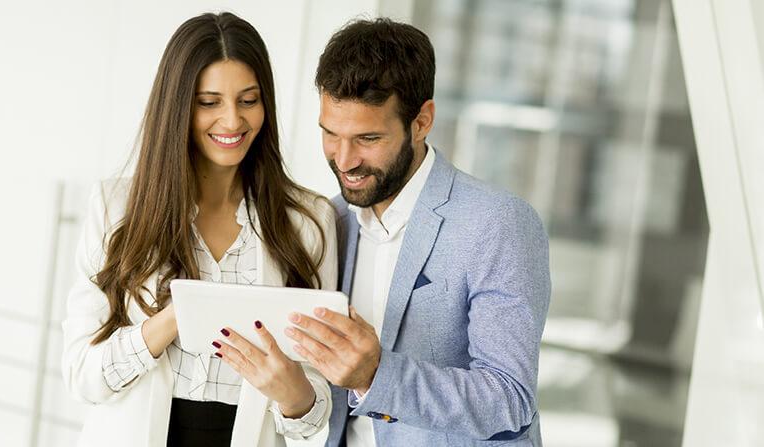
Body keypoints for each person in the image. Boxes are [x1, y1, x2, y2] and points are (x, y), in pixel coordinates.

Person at [61, 12, 337, 447]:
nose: (232, 121)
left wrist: (294, 394)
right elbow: (83, 377)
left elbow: (313, 420)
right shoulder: (116, 207)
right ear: (178, 107)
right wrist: (180, 315)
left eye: (248, 100)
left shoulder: (308, 221)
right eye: (209, 103)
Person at [284, 18, 551, 446]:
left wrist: (376, 375)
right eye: (331, 134)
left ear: (422, 121)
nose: (345, 160)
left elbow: (509, 399)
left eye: (368, 138)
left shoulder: (497, 223)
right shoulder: (326, 221)